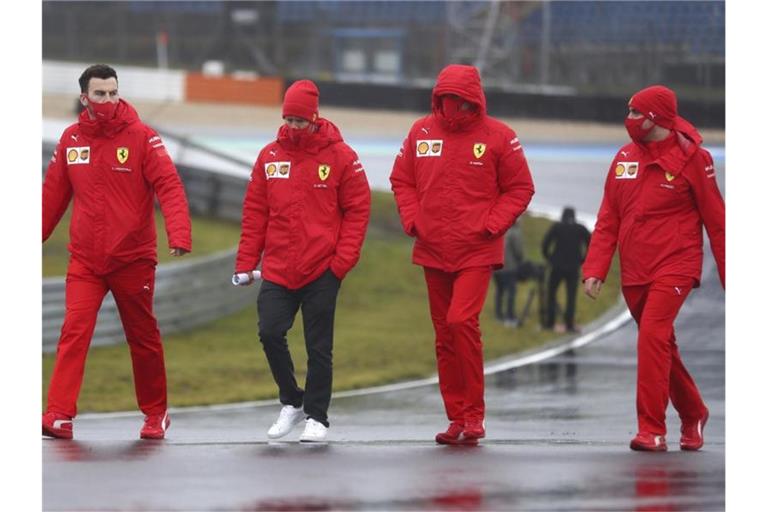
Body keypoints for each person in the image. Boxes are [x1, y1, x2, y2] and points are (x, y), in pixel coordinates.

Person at [42, 64, 192, 440]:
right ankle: (58, 414)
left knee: (142, 338)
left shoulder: (143, 137)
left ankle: (156, 413)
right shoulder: (71, 140)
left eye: (113, 93)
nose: (108, 100)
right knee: (73, 332)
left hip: (133, 259)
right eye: (100, 94)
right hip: (86, 261)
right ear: (84, 98)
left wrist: (179, 233)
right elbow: (51, 197)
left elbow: (170, 186)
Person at [390, 64, 535, 445]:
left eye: (460, 101)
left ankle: (474, 416)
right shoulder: (420, 131)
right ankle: (456, 418)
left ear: (474, 100)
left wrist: (491, 225)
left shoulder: (500, 136)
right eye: (446, 99)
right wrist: (413, 220)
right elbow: (401, 179)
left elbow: (520, 189)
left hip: (477, 249)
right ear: (437, 98)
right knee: (443, 334)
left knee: (460, 322)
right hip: (432, 247)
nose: (454, 107)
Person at [582, 85, 724, 452]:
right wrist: (595, 267)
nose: (627, 120)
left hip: (676, 264)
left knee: (652, 338)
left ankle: (651, 428)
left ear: (655, 118)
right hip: (635, 269)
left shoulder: (695, 159)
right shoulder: (623, 158)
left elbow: (717, 222)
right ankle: (693, 412)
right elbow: (608, 217)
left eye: (634, 113)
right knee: (660, 346)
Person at [235, 80, 370, 443]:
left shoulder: (342, 157)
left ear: (314, 117)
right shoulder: (269, 156)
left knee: (318, 346)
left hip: (322, 268)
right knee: (270, 332)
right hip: (278, 268)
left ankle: (317, 417)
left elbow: (358, 211)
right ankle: (291, 402)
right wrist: (246, 263)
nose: (293, 127)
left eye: (299, 120)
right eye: (288, 120)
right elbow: (255, 213)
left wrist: (341, 263)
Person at [541, 206, 591, 332]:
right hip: (573, 267)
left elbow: (545, 243)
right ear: (574, 216)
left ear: (562, 215)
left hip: (557, 266)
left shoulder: (557, 227)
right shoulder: (580, 228)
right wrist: (583, 259)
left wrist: (549, 258)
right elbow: (591, 242)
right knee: (571, 296)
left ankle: (550, 323)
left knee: (551, 294)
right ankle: (569, 324)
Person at [493, 220, 525, 327]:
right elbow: (518, 251)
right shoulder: (515, 232)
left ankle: (498, 315)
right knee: (511, 292)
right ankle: (509, 315)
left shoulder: (499, 230)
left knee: (499, 291)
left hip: (496, 265)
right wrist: (520, 262)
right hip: (509, 267)